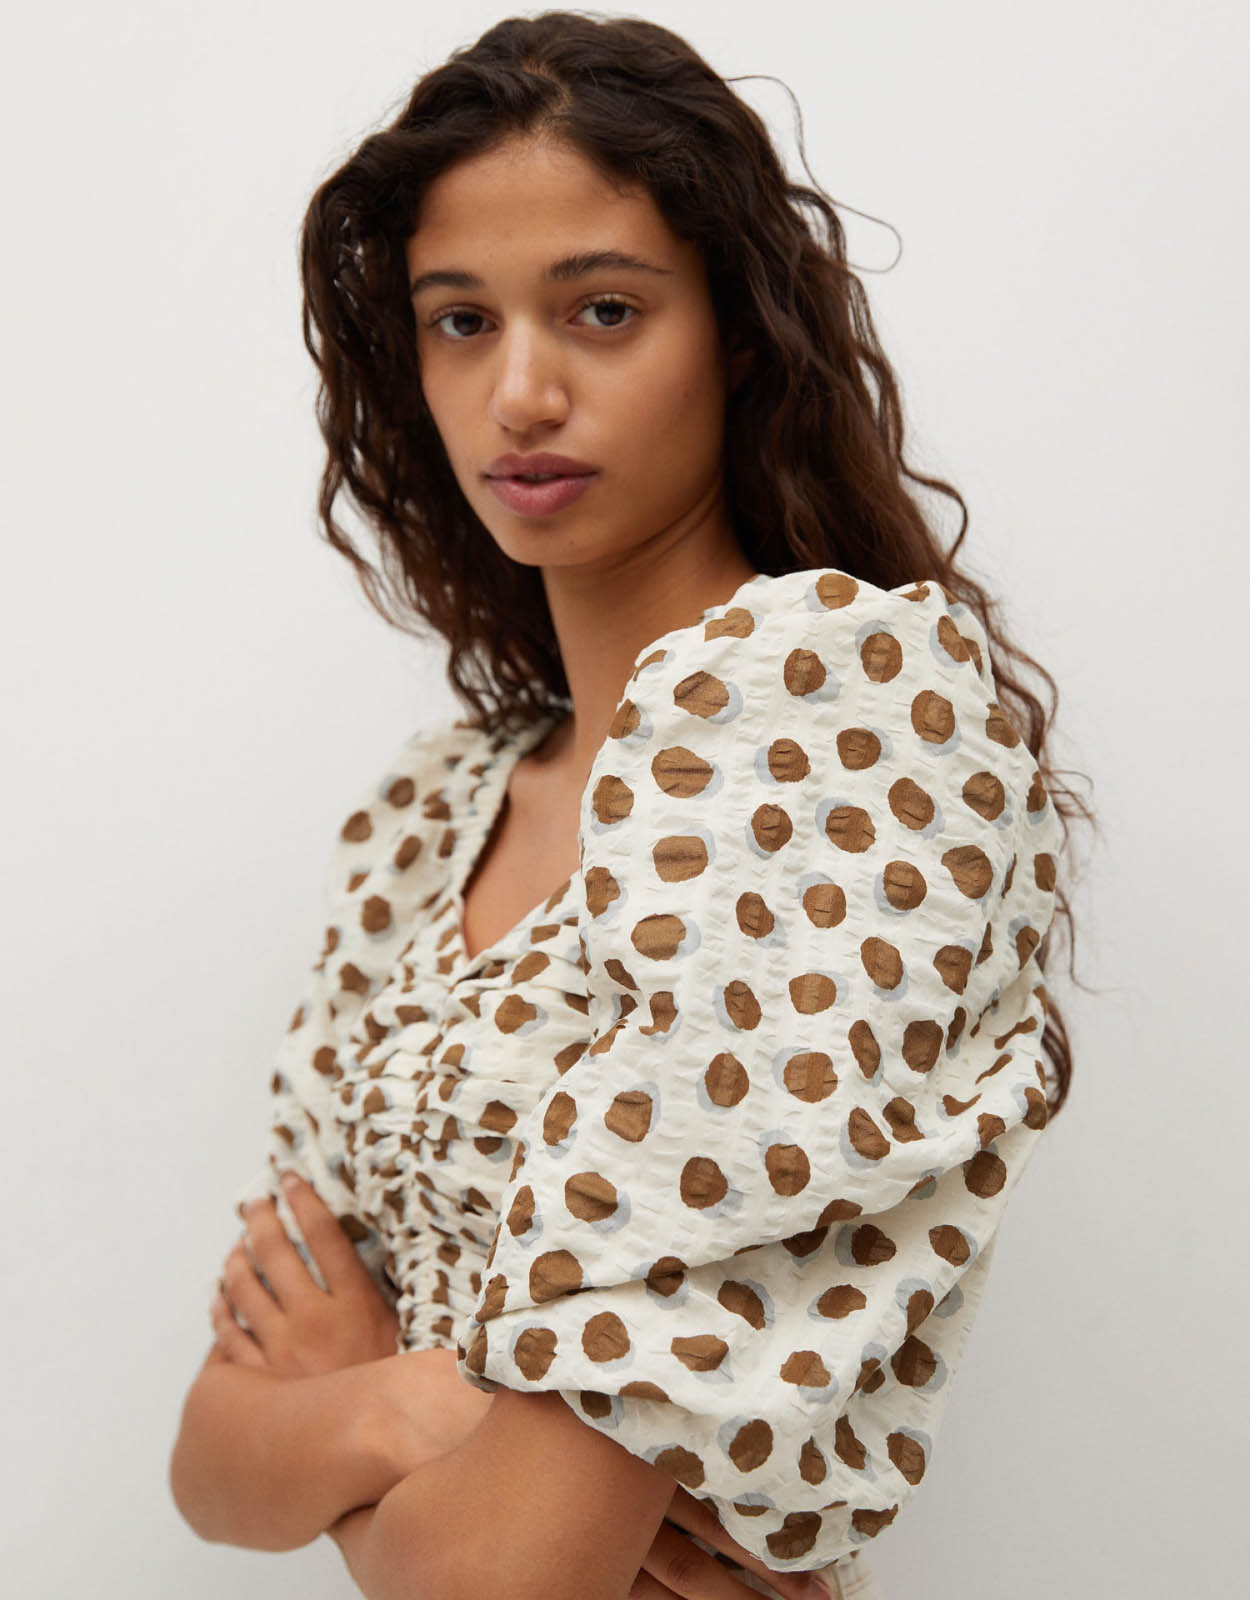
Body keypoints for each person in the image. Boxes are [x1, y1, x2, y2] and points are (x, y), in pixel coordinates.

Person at [169, 12, 1087, 1600]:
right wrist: (408, 1404)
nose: (520, 392)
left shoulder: (834, 727)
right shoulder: (428, 819)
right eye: (460, 321)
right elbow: (207, 1461)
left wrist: (344, 1408)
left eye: (601, 310)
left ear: (735, 333)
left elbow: (500, 1578)